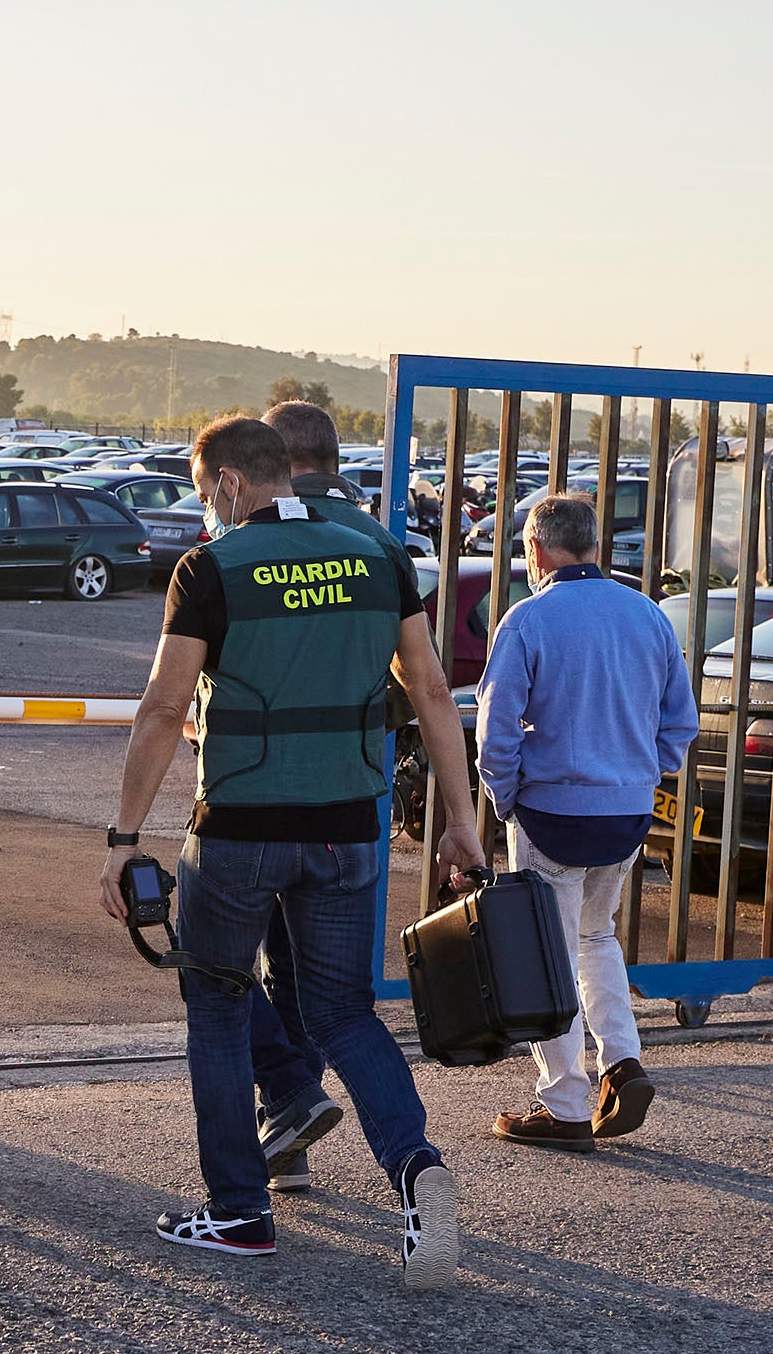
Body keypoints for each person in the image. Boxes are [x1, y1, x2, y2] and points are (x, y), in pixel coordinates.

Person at [99, 417, 482, 1287]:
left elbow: (164, 709)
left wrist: (123, 839)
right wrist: (461, 820)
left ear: (232, 482)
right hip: (346, 828)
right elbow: (430, 689)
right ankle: (416, 1166)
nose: (206, 507)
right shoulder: (380, 555)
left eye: (204, 491)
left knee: (218, 1006)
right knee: (344, 1013)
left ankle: (239, 1212)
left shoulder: (212, 567)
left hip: (238, 831)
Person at [231, 400, 425, 1195]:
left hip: (250, 796)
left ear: (270, 458)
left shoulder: (243, 538)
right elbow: (419, 685)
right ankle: (395, 1156)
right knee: (335, 995)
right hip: (352, 797)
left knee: (221, 963)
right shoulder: (381, 545)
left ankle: (287, 1111)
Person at [475, 496, 699, 1152]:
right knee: (596, 936)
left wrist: (505, 800)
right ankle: (622, 1063)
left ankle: (565, 1104)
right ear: (594, 545)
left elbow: (494, 731)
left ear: (536, 549)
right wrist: (640, 773)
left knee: (548, 954)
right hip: (626, 811)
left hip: (550, 812)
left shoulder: (528, 619)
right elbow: (680, 722)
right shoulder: (647, 614)